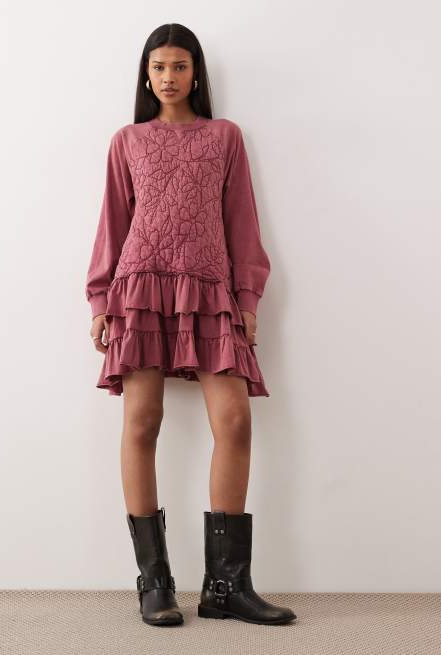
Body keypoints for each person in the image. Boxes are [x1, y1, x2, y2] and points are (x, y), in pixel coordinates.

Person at [85, 23, 297, 627]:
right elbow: (112, 223)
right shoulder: (127, 141)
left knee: (234, 420)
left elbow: (242, 222)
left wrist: (247, 297)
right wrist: (100, 299)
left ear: (196, 73)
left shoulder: (225, 136)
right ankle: (154, 584)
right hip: (141, 289)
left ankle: (226, 587)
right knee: (142, 422)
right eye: (158, 67)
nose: (169, 77)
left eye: (179, 66)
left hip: (209, 291)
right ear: (146, 75)